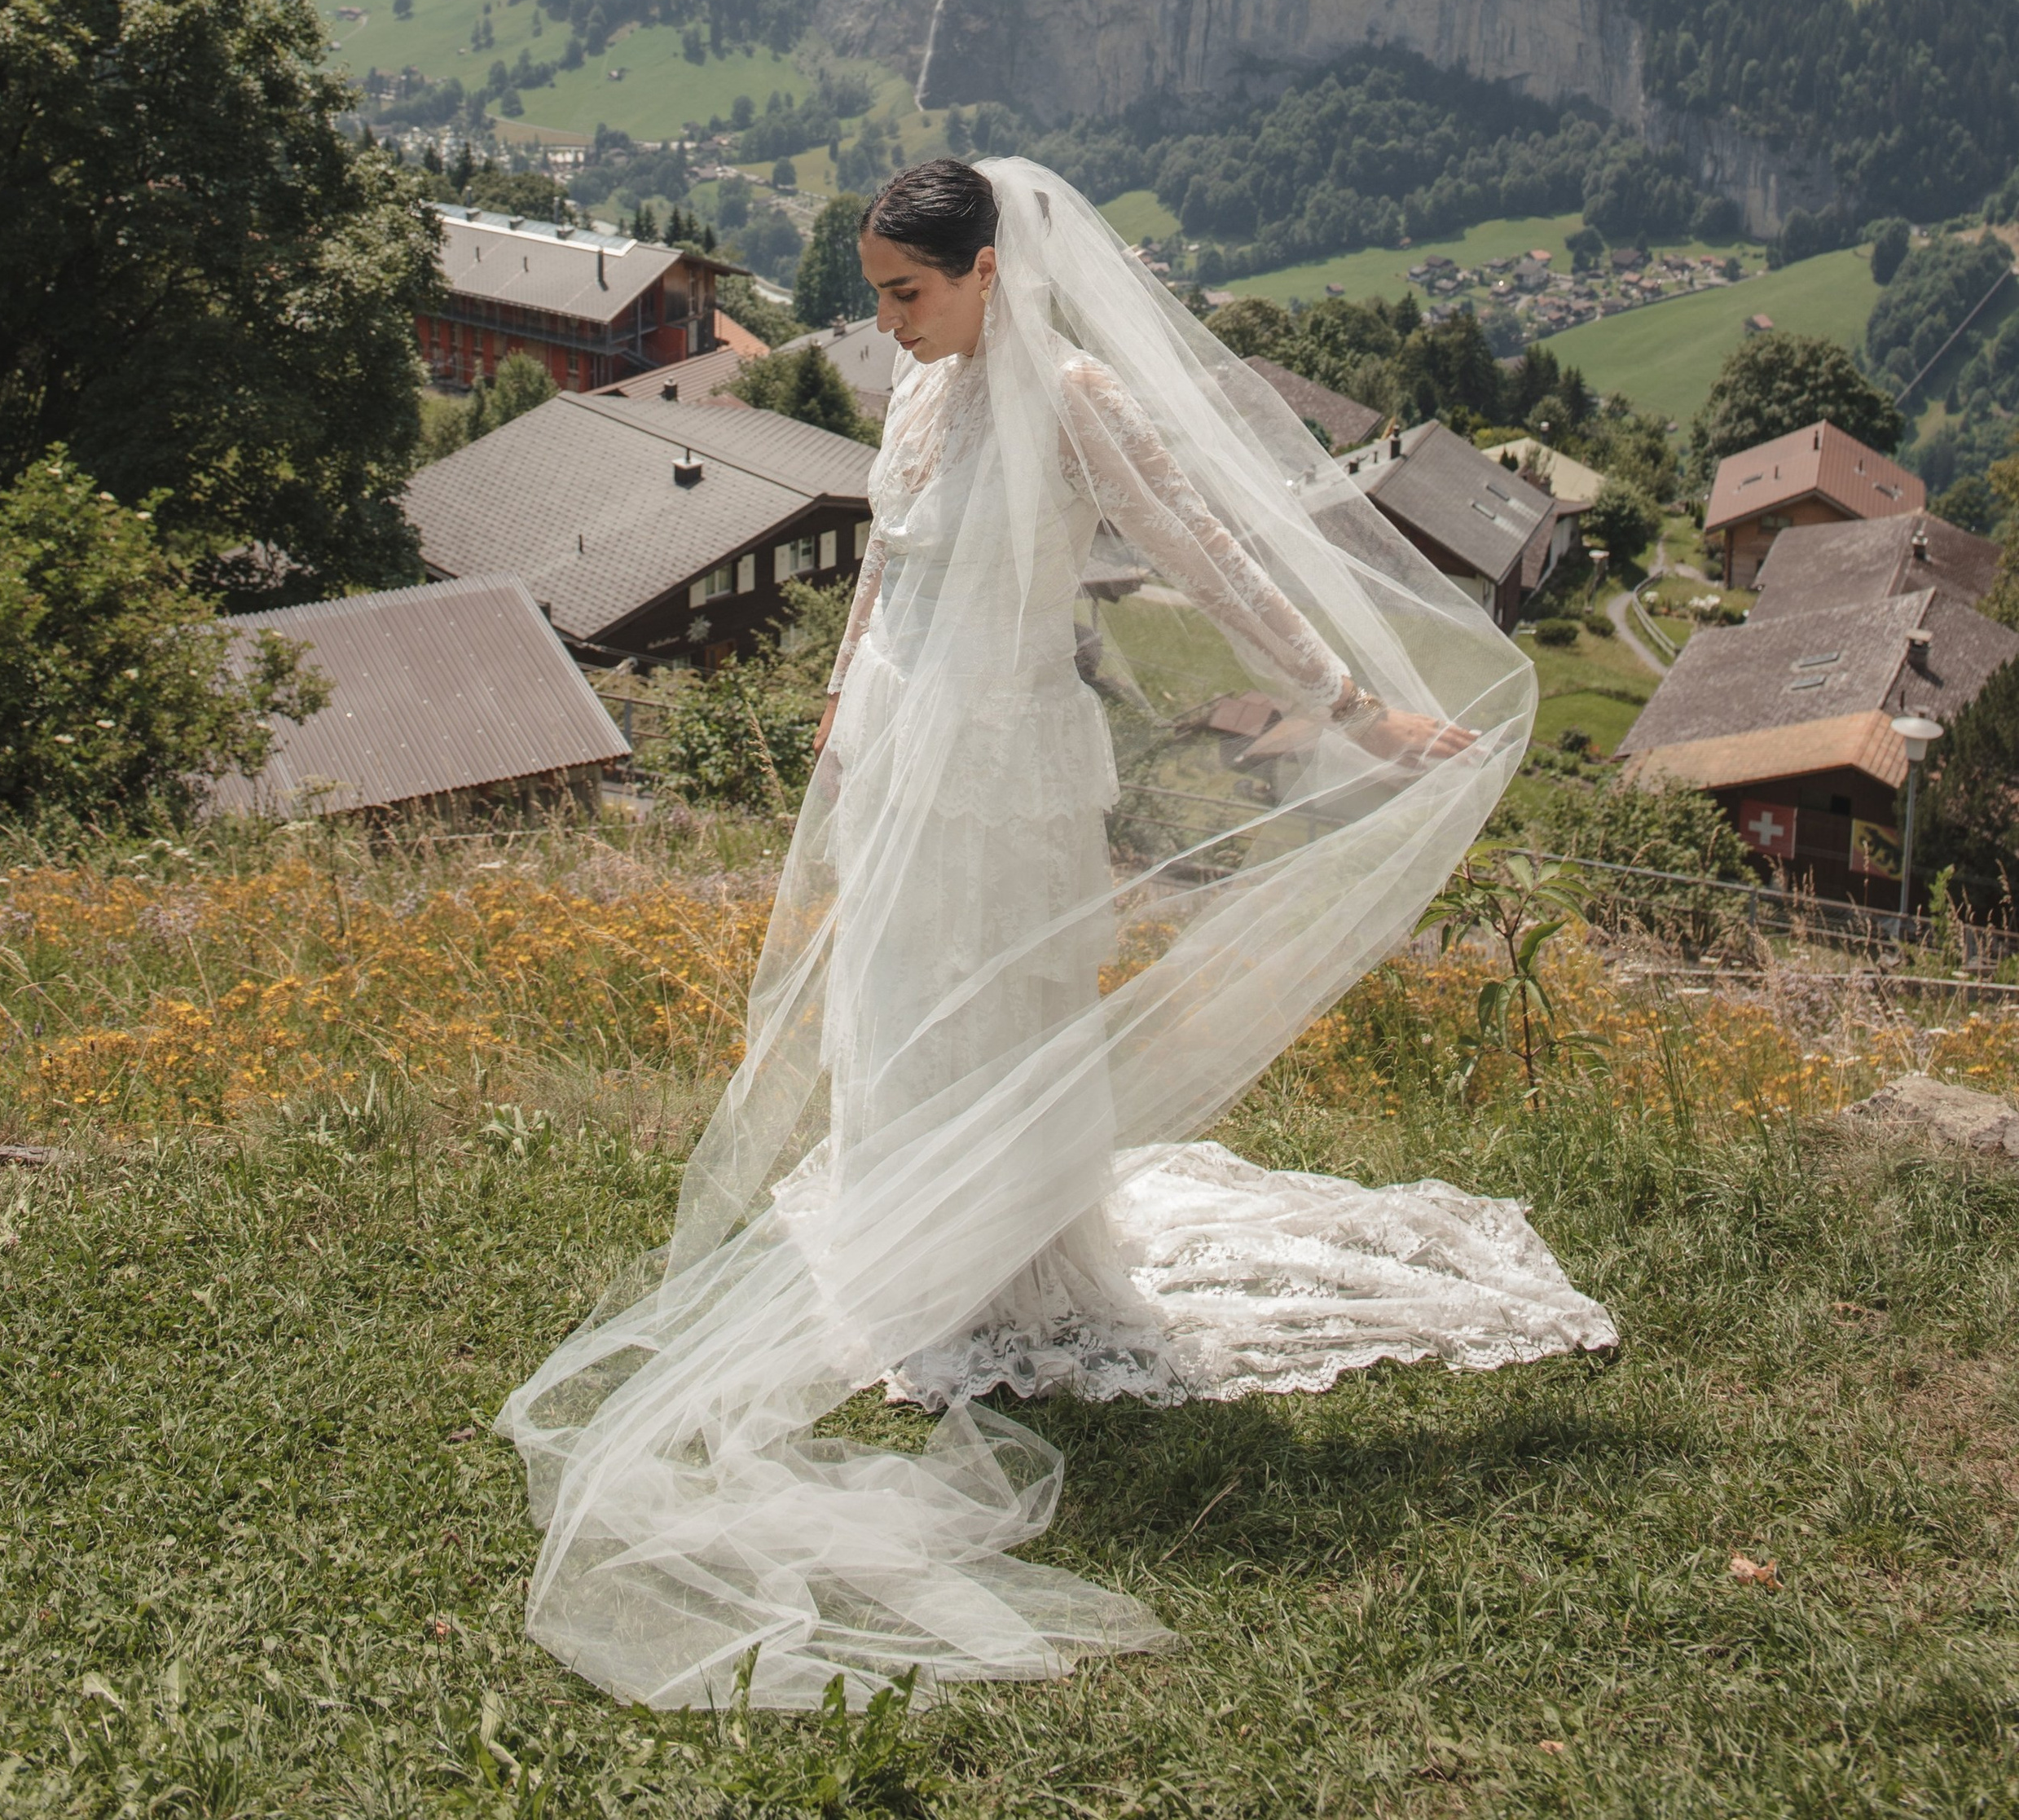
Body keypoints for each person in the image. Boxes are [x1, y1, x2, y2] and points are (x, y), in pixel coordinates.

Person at [499, 158, 1612, 1712]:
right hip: (901, 748)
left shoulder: (1080, 399)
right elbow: (888, 566)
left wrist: (1353, 707)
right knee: (891, 1002)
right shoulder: (919, 388)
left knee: (999, 1007)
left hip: (1013, 770)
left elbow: (1218, 559)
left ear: (991, 273)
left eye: (907, 293)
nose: (884, 327)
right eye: (877, 296)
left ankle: (1010, 1272)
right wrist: (838, 727)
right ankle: (914, 1254)